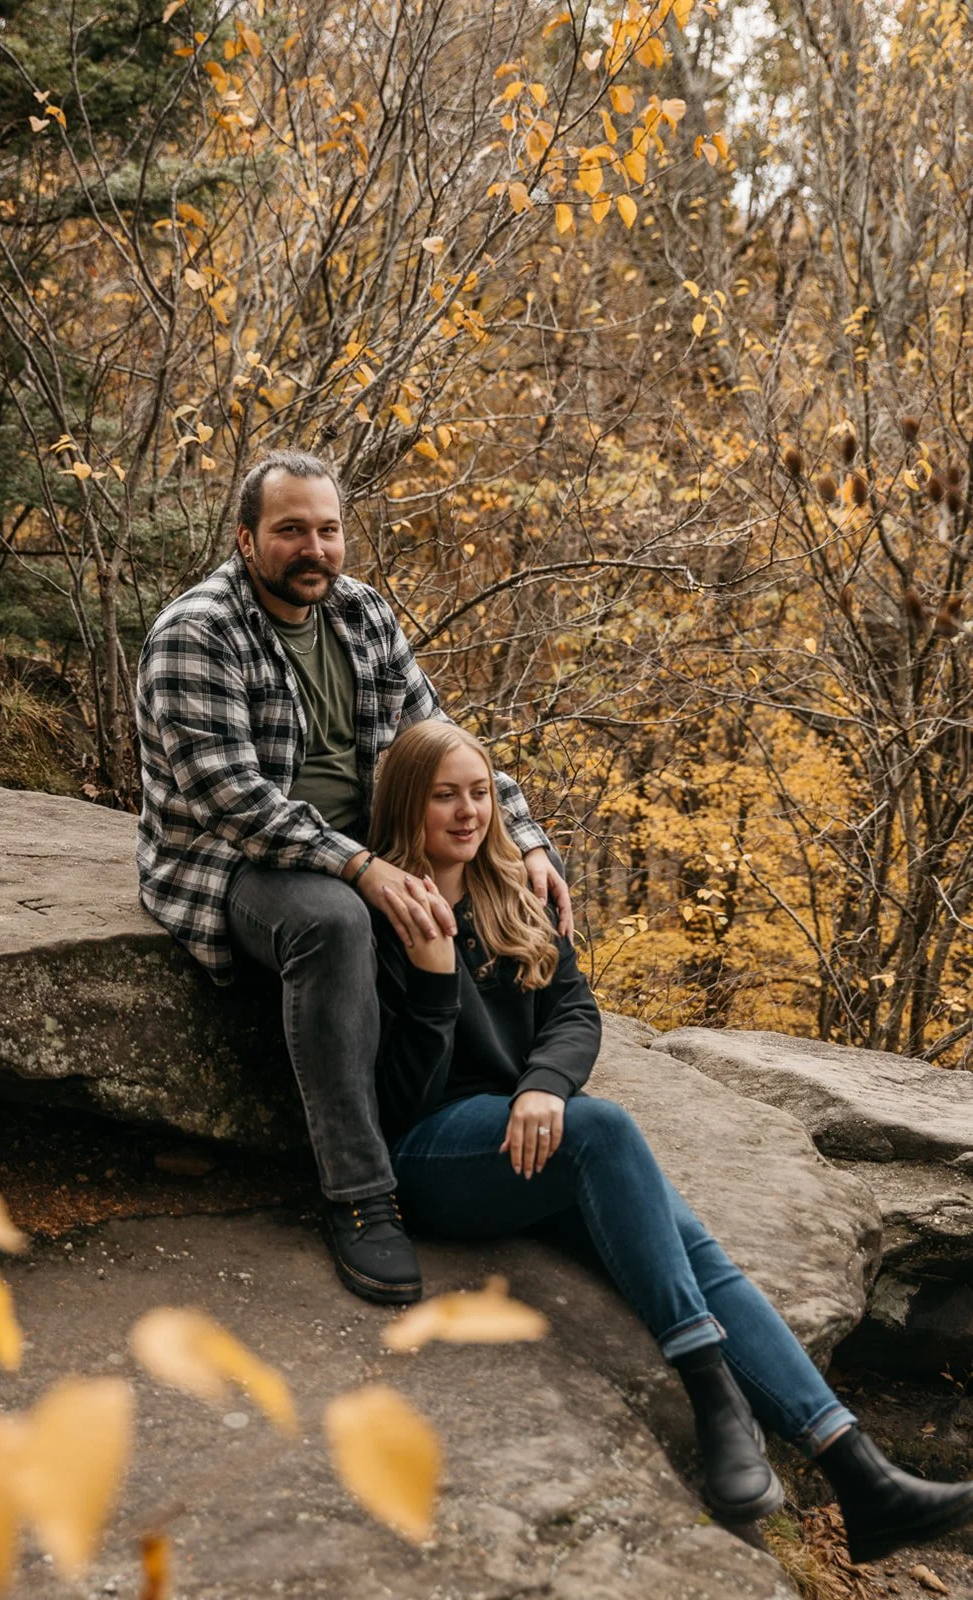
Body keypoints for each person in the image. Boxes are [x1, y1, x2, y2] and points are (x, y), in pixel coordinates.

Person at [367, 718, 973, 1561]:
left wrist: (543, 1084)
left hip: (531, 1138)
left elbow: (574, 1012)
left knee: (691, 1249)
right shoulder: (386, 911)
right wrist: (434, 980)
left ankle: (861, 1474)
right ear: (408, 803)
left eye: (478, 792)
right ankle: (712, 1392)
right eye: (444, 796)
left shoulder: (515, 886)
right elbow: (401, 1095)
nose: (468, 813)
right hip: (435, 1155)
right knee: (606, 1130)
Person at [135, 449, 570, 1307]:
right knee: (336, 922)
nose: (315, 548)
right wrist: (362, 866)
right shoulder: (195, 634)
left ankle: (507, 1101)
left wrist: (523, 837)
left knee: (516, 877)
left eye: (328, 530)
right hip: (236, 860)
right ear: (247, 538)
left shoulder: (361, 614)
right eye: (290, 530)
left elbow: (434, 731)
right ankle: (362, 1194)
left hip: (368, 841)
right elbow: (234, 799)